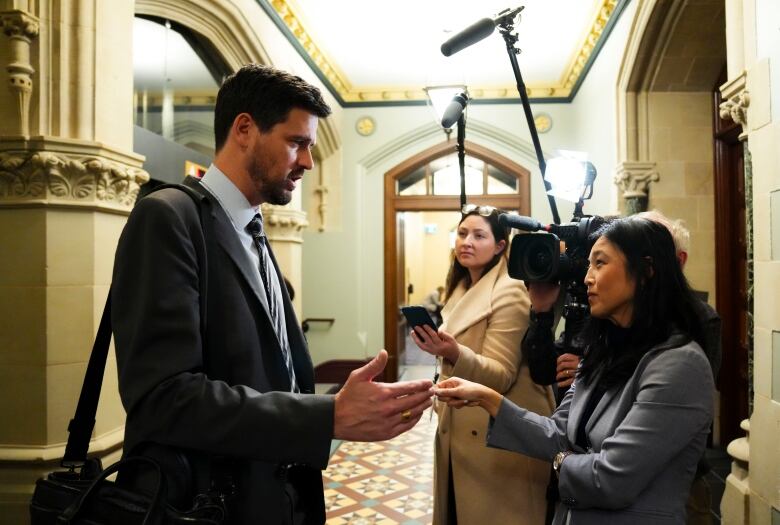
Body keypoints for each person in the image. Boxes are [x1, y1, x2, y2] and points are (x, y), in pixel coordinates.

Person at [111, 64, 433, 524]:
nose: (306, 162)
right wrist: (326, 418)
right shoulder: (169, 218)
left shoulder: (254, 231)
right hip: (208, 506)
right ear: (245, 129)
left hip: (273, 498)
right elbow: (164, 398)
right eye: (296, 142)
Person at [435, 217, 715, 524]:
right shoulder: (605, 350)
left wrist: (559, 461)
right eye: (589, 265)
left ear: (646, 271)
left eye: (600, 264)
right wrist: (489, 400)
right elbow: (559, 433)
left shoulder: (678, 364)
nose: (586, 279)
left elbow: (611, 479)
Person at [410, 204, 555, 525]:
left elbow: (500, 376)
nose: (467, 242)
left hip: (497, 439)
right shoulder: (461, 288)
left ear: (500, 246)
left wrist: (453, 353)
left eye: (479, 235)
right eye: (462, 233)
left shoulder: (511, 292)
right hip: (463, 431)